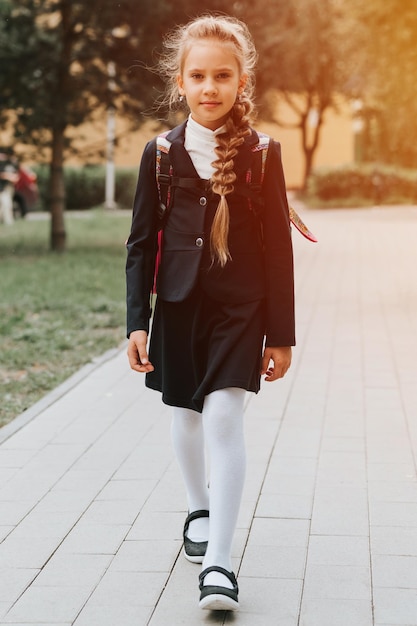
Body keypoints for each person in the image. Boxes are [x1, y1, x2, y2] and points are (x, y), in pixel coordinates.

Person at [126, 14, 295, 612]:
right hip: (176, 306)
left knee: (223, 416)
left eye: (222, 76)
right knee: (186, 412)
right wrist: (135, 323)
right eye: (198, 76)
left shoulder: (263, 153)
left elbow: (278, 245)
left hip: (240, 309)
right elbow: (141, 243)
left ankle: (219, 562)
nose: (210, 87)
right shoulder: (161, 153)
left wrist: (282, 334)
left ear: (241, 81)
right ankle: (198, 506)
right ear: (181, 81)